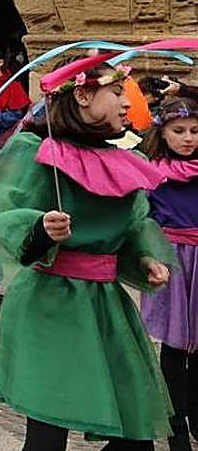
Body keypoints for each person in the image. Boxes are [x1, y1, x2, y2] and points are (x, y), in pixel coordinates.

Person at [0, 62, 174, 450]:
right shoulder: (39, 150)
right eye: (117, 93)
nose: (127, 104)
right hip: (52, 304)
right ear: (82, 95)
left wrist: (145, 259)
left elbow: (132, 226)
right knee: (49, 427)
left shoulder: (122, 157)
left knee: (133, 425)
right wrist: (41, 229)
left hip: (106, 307)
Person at [138, 99, 198, 449]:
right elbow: (142, 220)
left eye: (194, 131)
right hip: (172, 260)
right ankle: (176, 425)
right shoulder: (153, 174)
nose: (188, 138)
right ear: (162, 132)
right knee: (175, 345)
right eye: (178, 131)